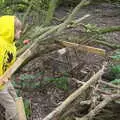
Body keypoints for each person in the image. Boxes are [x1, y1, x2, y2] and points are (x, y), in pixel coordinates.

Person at [0, 15, 22, 120]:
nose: (20, 32)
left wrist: (7, 76)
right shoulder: (0, 43)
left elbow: (9, 64)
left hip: (6, 81)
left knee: (18, 102)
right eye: (18, 30)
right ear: (10, 30)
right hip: (0, 86)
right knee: (13, 109)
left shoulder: (12, 46)